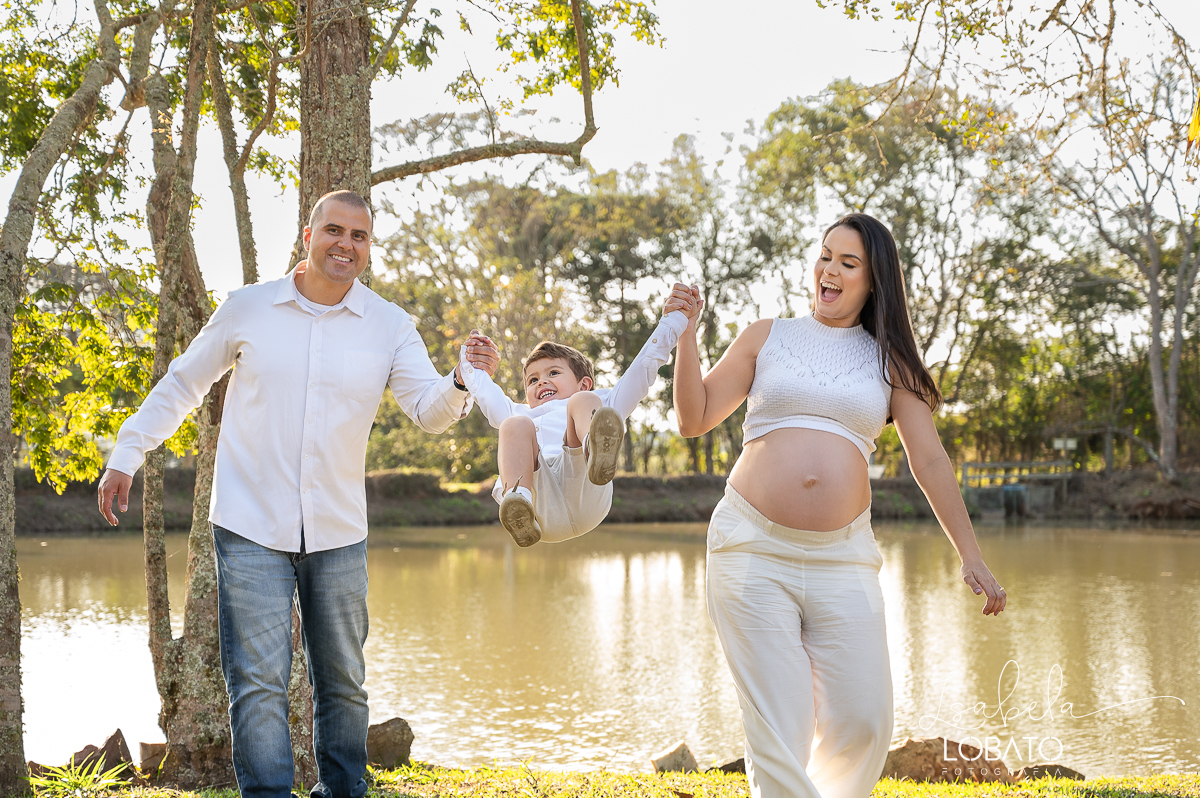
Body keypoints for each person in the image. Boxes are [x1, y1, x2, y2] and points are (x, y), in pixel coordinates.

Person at [95, 190, 499, 798]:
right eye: (334, 230)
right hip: (250, 522)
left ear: (368, 249)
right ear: (307, 236)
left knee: (342, 681)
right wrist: (128, 453)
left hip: (338, 529)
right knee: (257, 681)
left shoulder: (390, 325)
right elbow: (183, 383)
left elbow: (429, 412)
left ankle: (343, 793)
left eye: (359, 236)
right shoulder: (247, 309)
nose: (346, 244)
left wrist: (462, 379)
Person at [672, 213, 1007, 798]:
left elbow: (929, 461)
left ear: (873, 281)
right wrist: (686, 335)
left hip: (843, 558)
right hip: (751, 547)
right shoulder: (766, 335)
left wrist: (970, 555)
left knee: (865, 720)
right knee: (782, 724)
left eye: (847, 263)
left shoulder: (890, 362)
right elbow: (693, 418)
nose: (829, 269)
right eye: (826, 255)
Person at [460, 286, 701, 547]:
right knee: (513, 425)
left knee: (584, 404)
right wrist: (470, 360)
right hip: (539, 508)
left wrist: (673, 321)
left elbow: (644, 367)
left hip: (586, 484)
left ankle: (596, 451)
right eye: (533, 379)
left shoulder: (599, 400)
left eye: (553, 373)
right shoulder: (519, 412)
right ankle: (518, 502)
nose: (541, 382)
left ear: (584, 382)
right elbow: (485, 392)